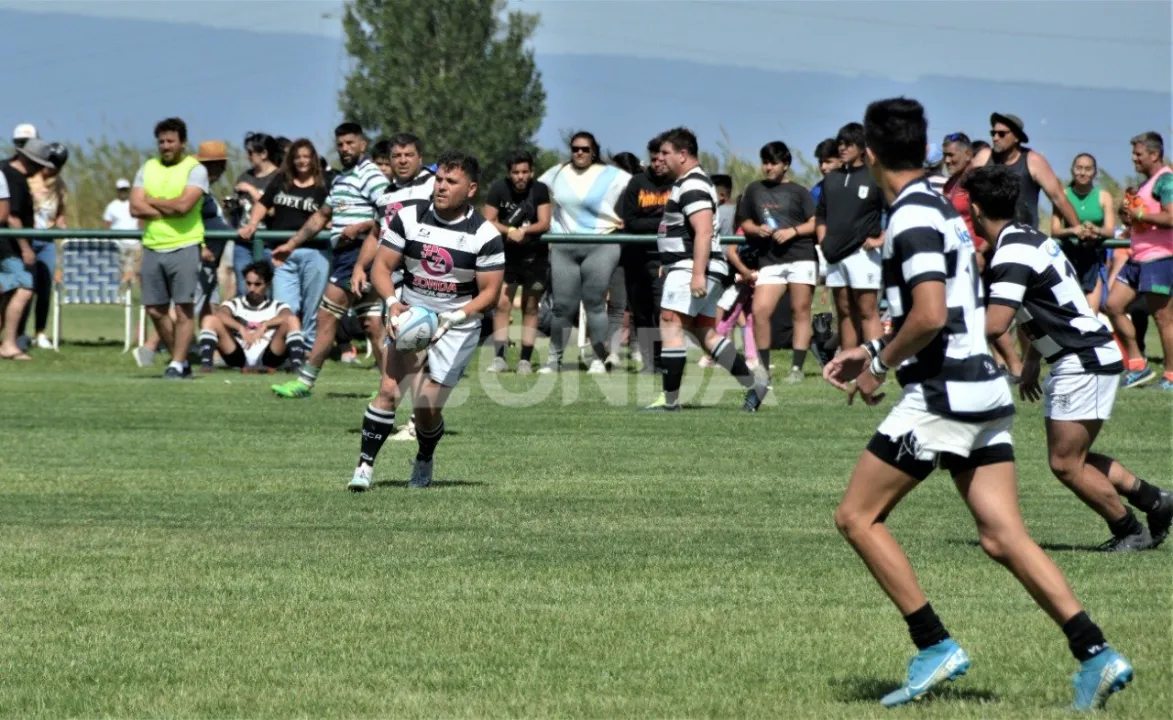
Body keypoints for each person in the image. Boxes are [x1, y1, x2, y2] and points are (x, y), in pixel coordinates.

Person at [823, 97, 1132, 711]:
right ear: (924, 147)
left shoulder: (911, 216)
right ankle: (1096, 652)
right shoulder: (943, 207)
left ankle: (933, 644)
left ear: (871, 154)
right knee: (1002, 536)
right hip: (984, 389)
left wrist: (879, 365)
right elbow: (953, 312)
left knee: (857, 517)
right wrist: (875, 348)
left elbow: (929, 315)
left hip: (944, 395)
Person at [974, 165, 1172, 551]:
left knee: (1066, 464)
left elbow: (995, 325)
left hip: (1082, 360)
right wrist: (1033, 360)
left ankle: (1129, 530)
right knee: (1073, 457)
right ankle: (1155, 501)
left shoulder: (1010, 253)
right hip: (1083, 356)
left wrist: (943, 333)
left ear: (976, 210)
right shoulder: (1028, 239)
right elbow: (1049, 305)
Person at [349, 149, 504, 491]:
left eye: (452, 181)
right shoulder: (408, 217)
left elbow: (491, 293)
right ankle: (364, 467)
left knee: (425, 407)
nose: (441, 186)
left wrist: (455, 316)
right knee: (389, 390)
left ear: (471, 189)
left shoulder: (485, 235)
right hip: (411, 316)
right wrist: (392, 302)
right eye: (439, 179)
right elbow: (381, 267)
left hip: (457, 326)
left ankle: (424, 456)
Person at [642, 127, 766, 413]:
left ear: (683, 154)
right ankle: (754, 385)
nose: (660, 159)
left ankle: (669, 402)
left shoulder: (692, 184)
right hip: (691, 266)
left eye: (666, 153)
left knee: (670, 323)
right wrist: (670, 263)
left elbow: (703, 231)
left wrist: (696, 272)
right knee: (705, 334)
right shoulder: (689, 182)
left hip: (693, 268)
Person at [271, 122, 390, 399]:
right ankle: (390, 387)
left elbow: (390, 212)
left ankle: (304, 382)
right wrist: (291, 244)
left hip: (359, 254)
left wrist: (360, 227)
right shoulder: (340, 179)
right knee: (373, 325)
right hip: (346, 256)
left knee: (326, 315)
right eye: (340, 145)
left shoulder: (370, 175)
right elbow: (321, 216)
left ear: (362, 145)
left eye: (350, 143)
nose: (345, 149)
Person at [537, 131, 631, 374]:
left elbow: (637, 190)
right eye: (575, 148)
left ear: (594, 151)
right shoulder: (557, 173)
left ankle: (599, 358)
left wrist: (626, 218)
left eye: (585, 149)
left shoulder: (612, 174)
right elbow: (536, 194)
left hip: (601, 244)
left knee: (595, 303)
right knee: (562, 306)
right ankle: (554, 361)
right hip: (564, 245)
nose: (579, 152)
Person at [129, 118, 209, 378]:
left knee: (183, 308)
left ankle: (176, 363)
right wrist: (167, 206)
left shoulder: (195, 169)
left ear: (182, 143)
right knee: (154, 309)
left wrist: (152, 200)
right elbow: (135, 207)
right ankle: (180, 360)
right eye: (161, 141)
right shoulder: (147, 168)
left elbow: (184, 206)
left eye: (171, 141)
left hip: (185, 245)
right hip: (153, 245)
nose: (165, 146)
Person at [735, 141, 817, 384]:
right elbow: (744, 221)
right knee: (760, 310)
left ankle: (797, 369)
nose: (768, 167)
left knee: (800, 311)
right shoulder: (754, 189)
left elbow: (815, 223)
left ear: (786, 164)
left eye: (773, 163)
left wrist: (793, 231)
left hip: (801, 257)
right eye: (765, 162)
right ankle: (763, 368)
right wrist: (756, 229)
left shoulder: (799, 192)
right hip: (770, 259)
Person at [239, 139, 331, 351]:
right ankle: (289, 348)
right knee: (284, 305)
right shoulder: (281, 180)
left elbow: (330, 212)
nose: (302, 161)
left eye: (306, 156)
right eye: (297, 157)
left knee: (312, 306)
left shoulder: (323, 184)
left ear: (313, 159)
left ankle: (307, 349)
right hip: (281, 253)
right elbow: (263, 203)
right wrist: (252, 223)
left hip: (314, 252)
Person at [1104, 131, 1173, 390]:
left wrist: (1140, 214)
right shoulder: (1146, 183)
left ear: (1154, 155)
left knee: (1163, 319)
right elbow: (1143, 220)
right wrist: (1129, 216)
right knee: (1113, 305)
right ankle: (1137, 365)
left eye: (1138, 154)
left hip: (1159, 258)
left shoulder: (1166, 181)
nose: (1133, 158)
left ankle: (1171, 376)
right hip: (1138, 257)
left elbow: (1171, 217)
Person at [817, 122, 885, 351]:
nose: (842, 148)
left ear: (862, 147)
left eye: (848, 144)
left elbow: (896, 209)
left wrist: (880, 239)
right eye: (840, 143)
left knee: (867, 311)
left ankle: (875, 364)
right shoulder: (831, 179)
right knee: (845, 312)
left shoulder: (875, 176)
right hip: (835, 255)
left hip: (862, 254)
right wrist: (823, 240)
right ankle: (849, 363)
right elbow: (821, 214)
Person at [483, 150, 551, 374]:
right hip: (506, 255)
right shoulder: (498, 188)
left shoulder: (540, 189)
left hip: (535, 256)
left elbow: (544, 222)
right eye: (515, 172)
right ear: (509, 173)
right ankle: (500, 358)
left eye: (524, 172)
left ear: (531, 172)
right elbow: (488, 220)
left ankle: (525, 360)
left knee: (530, 307)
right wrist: (509, 231)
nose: (520, 176)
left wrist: (525, 231)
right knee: (502, 304)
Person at [971, 112, 1081, 230]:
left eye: (1001, 134)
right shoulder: (984, 158)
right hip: (988, 237)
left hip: (1023, 234)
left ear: (1016, 137)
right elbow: (964, 188)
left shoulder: (1033, 162)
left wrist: (1079, 229)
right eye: (993, 133)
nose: (995, 138)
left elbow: (1058, 198)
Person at [619, 135, 673, 375]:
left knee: (662, 310)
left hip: (664, 258)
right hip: (636, 256)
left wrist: (652, 223)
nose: (658, 164)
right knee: (641, 313)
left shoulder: (678, 183)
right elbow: (630, 221)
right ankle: (649, 363)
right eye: (654, 159)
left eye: (663, 159)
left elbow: (680, 221)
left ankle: (662, 362)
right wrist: (662, 223)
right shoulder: (637, 183)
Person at [197, 260, 303, 373]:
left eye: (257, 284)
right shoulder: (235, 303)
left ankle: (296, 366)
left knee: (292, 320)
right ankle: (206, 366)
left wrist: (265, 325)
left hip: (269, 355)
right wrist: (240, 328)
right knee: (210, 320)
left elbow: (288, 316)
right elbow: (220, 314)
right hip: (238, 355)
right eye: (248, 283)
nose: (252, 289)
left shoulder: (277, 305)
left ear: (268, 284)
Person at [1, 139, 53, 360]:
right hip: (9, 246)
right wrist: (25, 248)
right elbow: (12, 217)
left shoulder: (7, 173)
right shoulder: (13, 178)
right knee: (24, 288)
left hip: (9, 244)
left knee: (7, 292)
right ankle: (9, 344)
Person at [20, 142, 69, 350]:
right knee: (25, 287)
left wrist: (62, 228)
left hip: (47, 242)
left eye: (56, 164)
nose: (50, 167)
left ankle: (40, 332)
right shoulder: (28, 180)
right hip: (28, 239)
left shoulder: (60, 187)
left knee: (45, 288)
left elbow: (60, 215)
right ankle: (19, 332)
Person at [1051, 154, 1115, 310]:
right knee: (1068, 312)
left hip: (1094, 259)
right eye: (1079, 168)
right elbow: (1055, 230)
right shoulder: (1063, 195)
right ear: (1072, 170)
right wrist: (1073, 230)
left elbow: (1110, 231)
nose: (1083, 173)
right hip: (1068, 258)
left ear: (1095, 172)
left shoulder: (1104, 196)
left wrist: (1095, 230)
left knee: (1090, 313)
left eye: (1087, 169)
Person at [231, 132, 282, 292]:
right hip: (243, 243)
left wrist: (252, 191)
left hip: (269, 244)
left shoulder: (279, 177)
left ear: (264, 153)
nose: (247, 156)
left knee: (267, 291)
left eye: (250, 152)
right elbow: (240, 210)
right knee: (244, 290)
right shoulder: (244, 176)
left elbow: (274, 211)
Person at [103, 178, 141, 288]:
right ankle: (121, 293)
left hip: (134, 243)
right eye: (121, 190)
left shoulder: (135, 204)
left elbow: (140, 220)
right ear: (117, 190)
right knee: (119, 273)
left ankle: (133, 294)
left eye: (125, 189)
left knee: (136, 272)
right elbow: (107, 224)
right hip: (118, 244)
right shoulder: (111, 206)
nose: (123, 192)